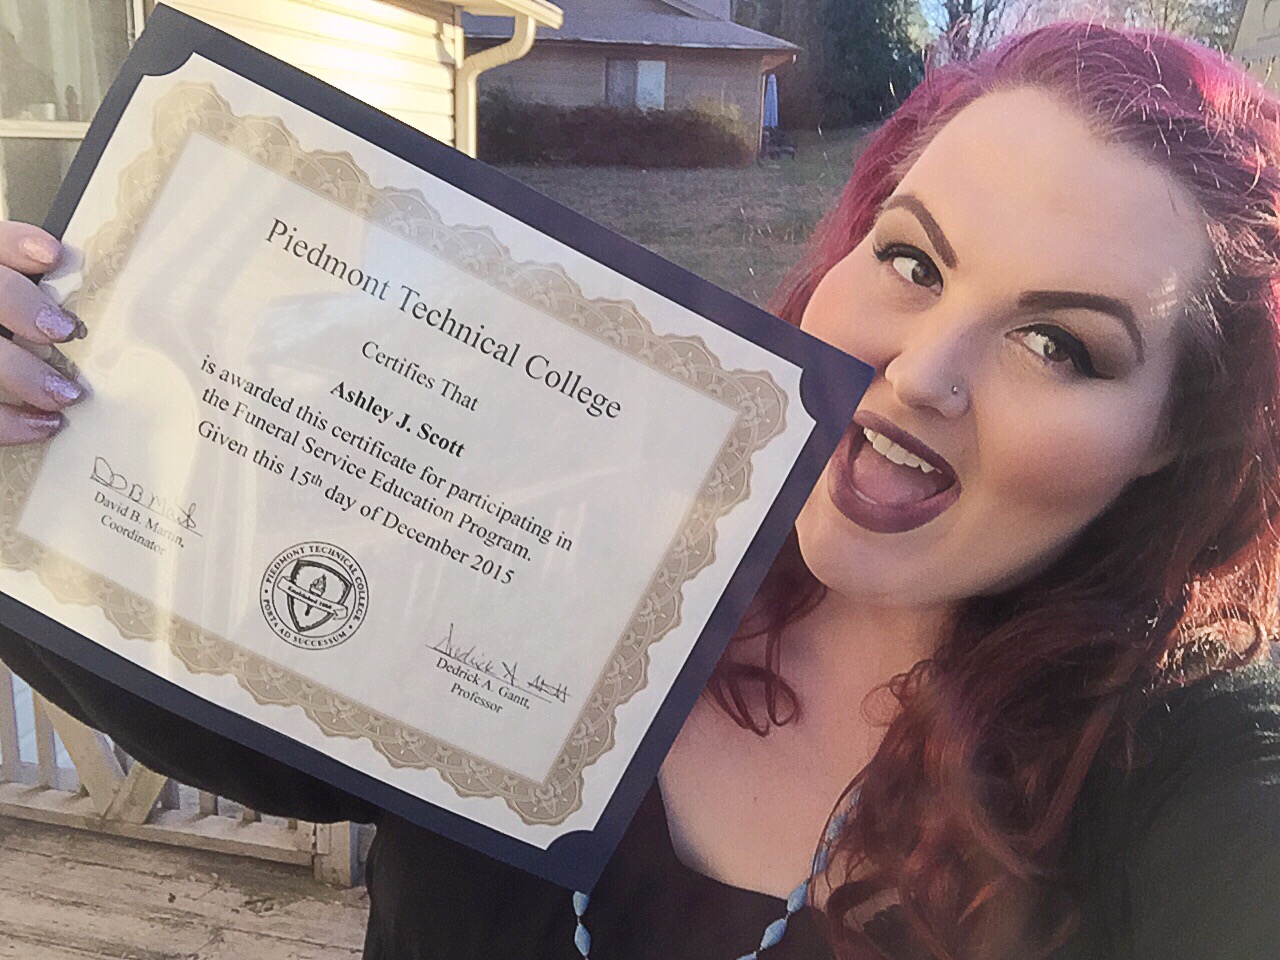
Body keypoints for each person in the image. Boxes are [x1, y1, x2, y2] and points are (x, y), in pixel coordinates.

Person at [1, 19, 1279, 960]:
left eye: (1057, 345)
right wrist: (41, 422)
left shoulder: (1178, 766)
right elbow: (220, 708)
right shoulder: (587, 524)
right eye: (910, 261)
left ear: (1173, 436)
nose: (920, 373)